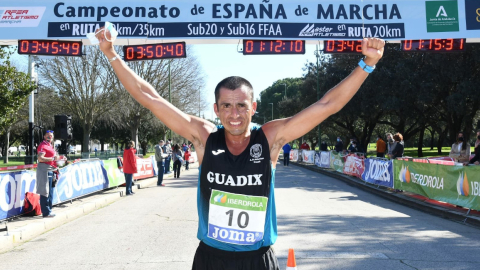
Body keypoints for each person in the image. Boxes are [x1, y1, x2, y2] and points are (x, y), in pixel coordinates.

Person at [96, 28, 384, 269]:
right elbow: (150, 98)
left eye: (241, 105)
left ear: (253, 107)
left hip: (257, 258)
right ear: (216, 110)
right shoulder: (204, 137)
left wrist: (367, 65)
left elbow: (327, 105)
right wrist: (111, 54)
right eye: (227, 106)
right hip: (211, 257)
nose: (234, 114)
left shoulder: (270, 138)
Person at [36, 130, 64, 218]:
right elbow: (40, 158)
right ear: (44, 136)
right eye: (48, 135)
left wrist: (60, 159)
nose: (50, 137)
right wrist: (52, 159)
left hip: (51, 170)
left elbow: (54, 158)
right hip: (45, 170)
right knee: (45, 191)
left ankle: (49, 210)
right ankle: (46, 212)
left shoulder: (50, 146)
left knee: (50, 191)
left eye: (51, 135)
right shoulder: (43, 145)